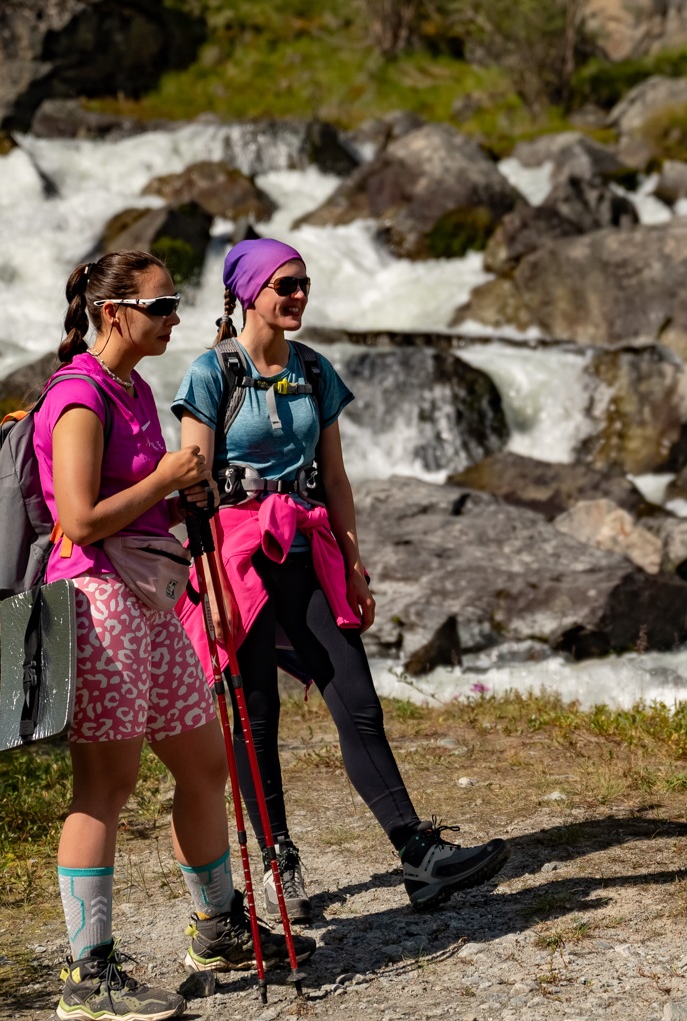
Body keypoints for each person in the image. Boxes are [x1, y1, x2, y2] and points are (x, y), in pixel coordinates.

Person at [173, 237, 509, 926]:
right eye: (285, 285)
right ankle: (277, 859)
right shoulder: (210, 375)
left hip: (306, 547)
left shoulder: (315, 371)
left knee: (357, 699)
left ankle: (416, 853)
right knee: (256, 713)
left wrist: (353, 560)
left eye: (303, 284)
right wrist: (204, 580)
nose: (298, 295)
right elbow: (192, 483)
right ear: (248, 292)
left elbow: (336, 475)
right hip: (236, 555)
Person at [40, 251, 314, 1021]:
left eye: (177, 303)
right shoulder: (79, 395)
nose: (175, 317)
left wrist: (178, 492)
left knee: (203, 762)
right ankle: (87, 974)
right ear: (114, 312)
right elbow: (80, 518)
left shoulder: (131, 389)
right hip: (97, 601)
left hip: (152, 599)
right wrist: (165, 479)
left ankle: (216, 923)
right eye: (161, 306)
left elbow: (137, 502)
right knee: (104, 787)